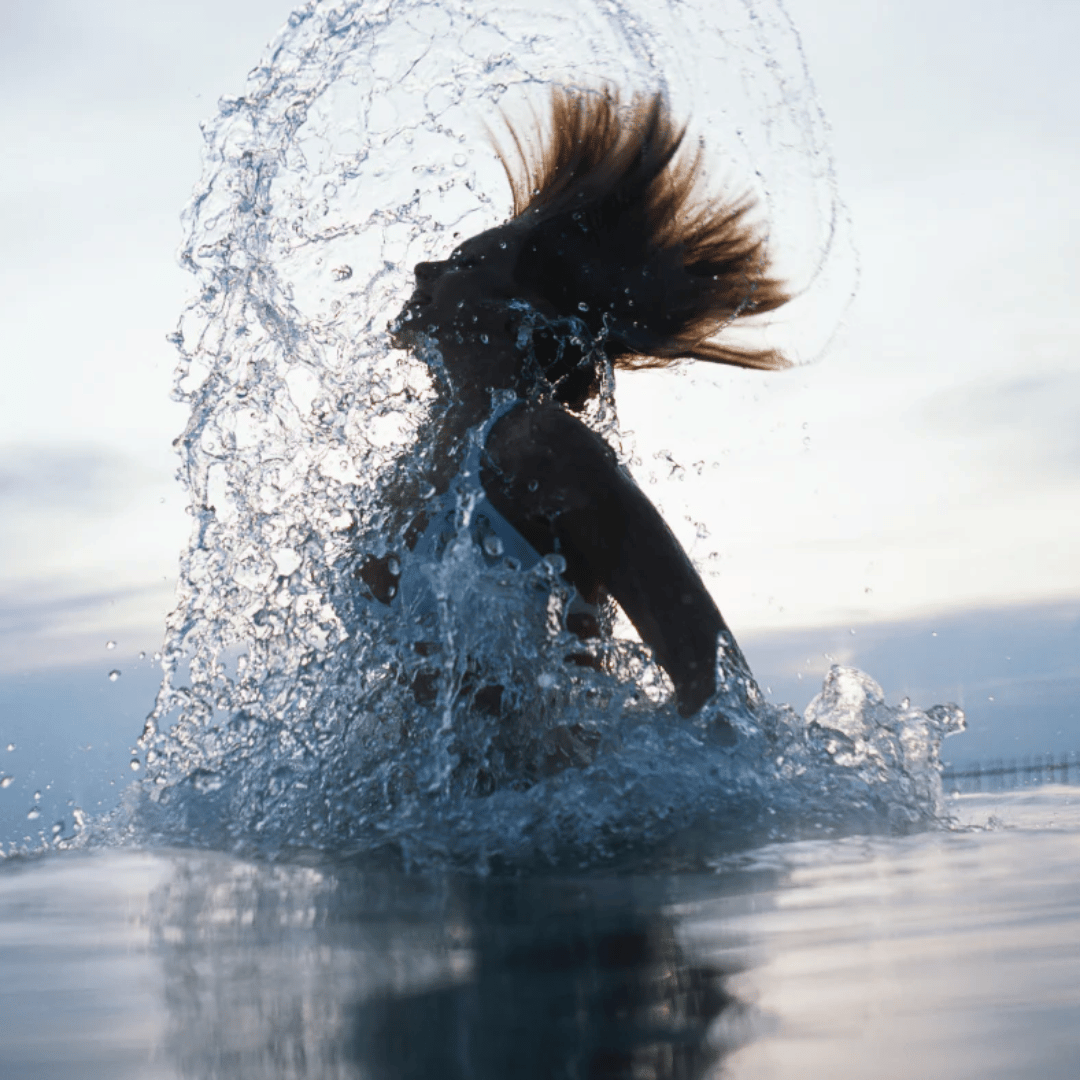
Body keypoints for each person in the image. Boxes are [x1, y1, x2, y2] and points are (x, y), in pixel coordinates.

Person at [375, 86, 790, 718]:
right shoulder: (421, 457)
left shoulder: (544, 448)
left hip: (544, 816)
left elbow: (720, 690)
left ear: (521, 315)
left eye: (466, 263)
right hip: (426, 819)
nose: (425, 271)